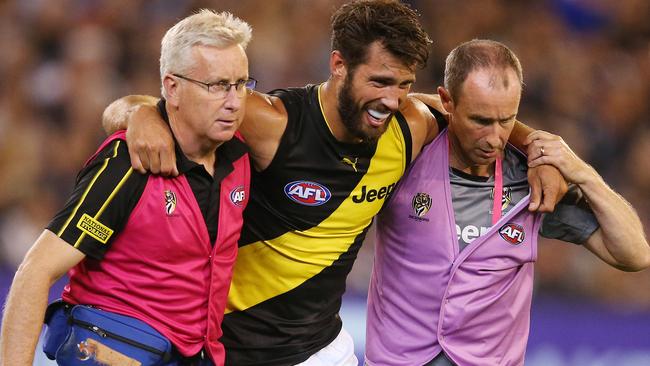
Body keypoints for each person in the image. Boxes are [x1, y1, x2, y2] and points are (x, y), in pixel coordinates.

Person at [102, 1, 566, 365]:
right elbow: (149, 106)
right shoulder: (274, 122)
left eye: (403, 84)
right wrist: (140, 115)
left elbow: (468, 115)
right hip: (227, 348)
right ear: (339, 64)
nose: (391, 99)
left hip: (322, 351)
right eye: (380, 81)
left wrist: (538, 147)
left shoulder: (411, 126)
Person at [364, 39, 650, 366]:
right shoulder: (408, 153)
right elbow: (396, 103)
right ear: (447, 101)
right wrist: (526, 137)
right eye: (480, 120)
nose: (495, 138)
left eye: (506, 120)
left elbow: (635, 254)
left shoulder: (534, 180)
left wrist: (583, 173)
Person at [0, 10, 254, 366]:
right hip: (115, 348)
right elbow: (35, 271)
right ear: (172, 87)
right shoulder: (128, 164)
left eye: (241, 83)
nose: (234, 100)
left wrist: (138, 110)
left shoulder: (241, 153)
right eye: (216, 86)